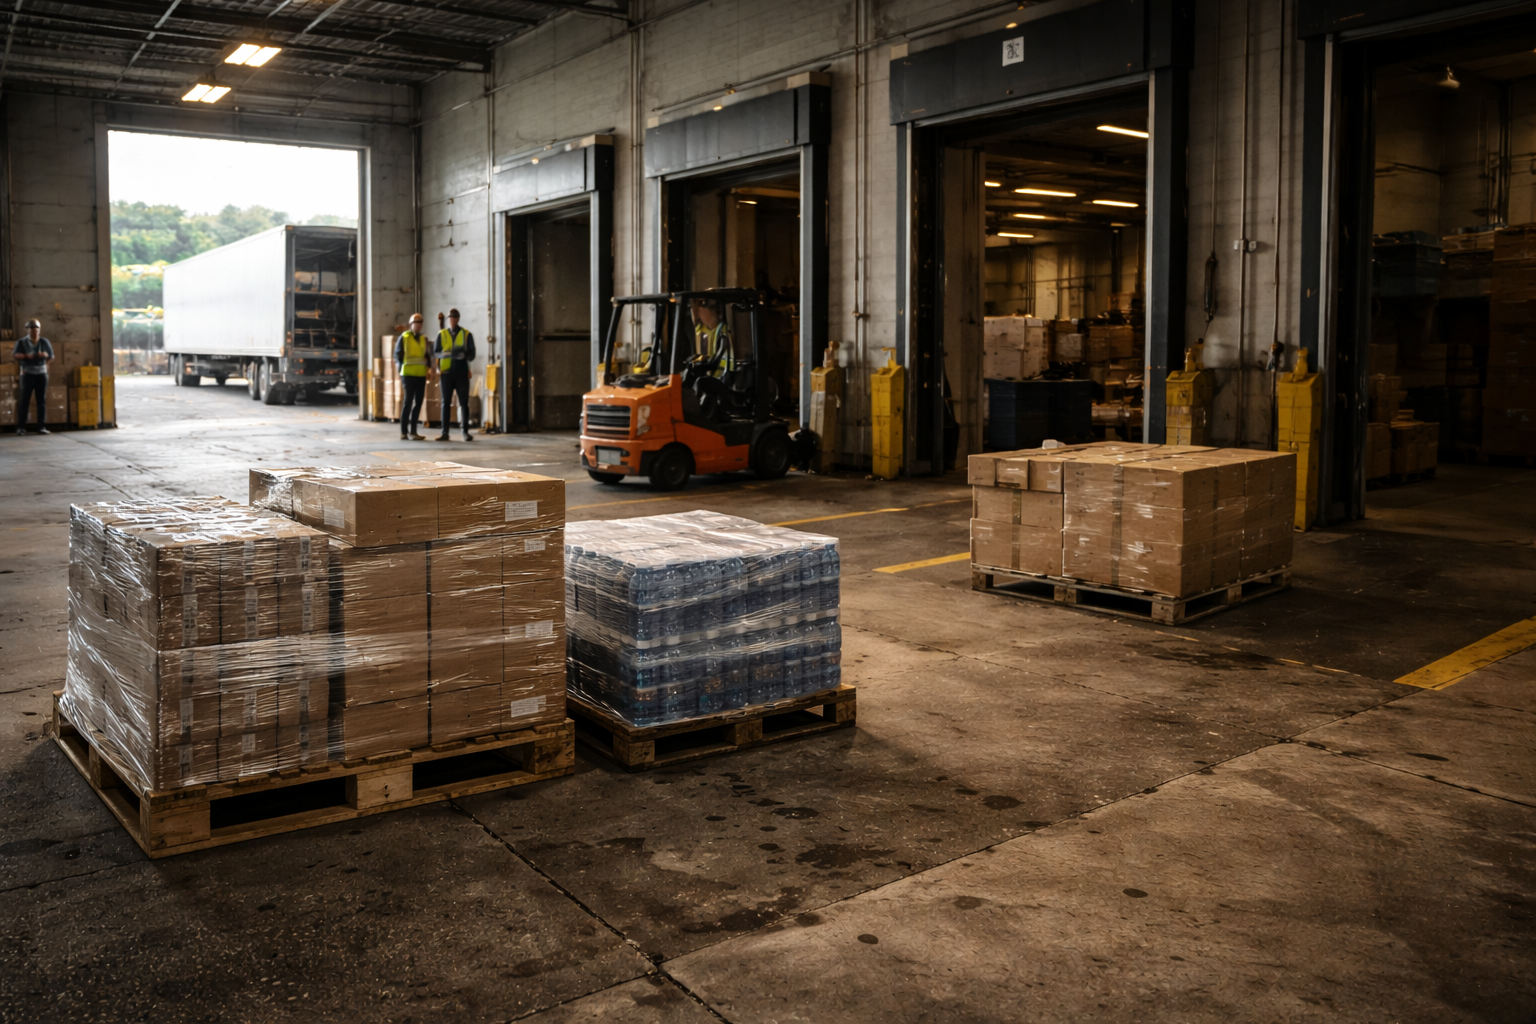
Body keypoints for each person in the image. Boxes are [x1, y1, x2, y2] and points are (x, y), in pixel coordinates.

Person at [434, 308, 476, 442]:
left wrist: (464, 354)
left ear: (458, 319)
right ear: (448, 319)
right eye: (450, 318)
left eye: (454, 318)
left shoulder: (466, 334)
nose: (452, 320)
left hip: (462, 373)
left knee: (464, 403)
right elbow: (435, 352)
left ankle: (465, 432)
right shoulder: (442, 334)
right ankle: (445, 433)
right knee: (446, 403)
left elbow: (472, 354)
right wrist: (446, 356)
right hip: (446, 373)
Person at [12, 318, 53, 434]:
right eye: (32, 329)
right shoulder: (21, 342)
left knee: (41, 401)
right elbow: (15, 355)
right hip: (27, 373)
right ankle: (21, 427)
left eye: (36, 329)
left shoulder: (44, 342)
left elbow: (51, 356)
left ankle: (41, 427)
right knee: (24, 400)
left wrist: (45, 359)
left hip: (41, 374)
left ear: (39, 330)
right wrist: (26, 356)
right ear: (27, 330)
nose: (34, 331)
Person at [394, 313, 431, 441]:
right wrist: (400, 371)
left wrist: (429, 369)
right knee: (408, 402)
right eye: (416, 323)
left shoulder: (423, 339)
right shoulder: (404, 337)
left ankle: (413, 431)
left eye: (420, 323)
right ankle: (404, 432)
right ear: (411, 325)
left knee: (419, 402)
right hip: (408, 375)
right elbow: (397, 356)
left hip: (420, 375)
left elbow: (427, 355)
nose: (418, 325)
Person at [692, 299, 734, 374]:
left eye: (701, 311)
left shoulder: (723, 331)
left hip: (723, 376)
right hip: (714, 376)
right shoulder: (706, 330)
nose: (699, 314)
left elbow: (725, 360)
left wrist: (708, 362)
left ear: (709, 311)